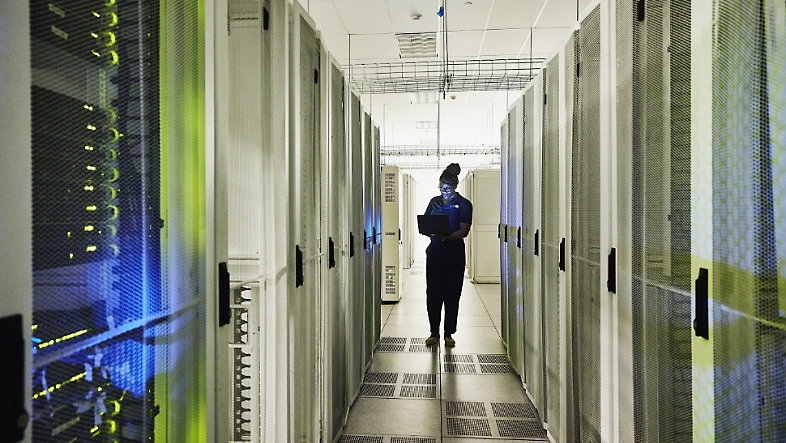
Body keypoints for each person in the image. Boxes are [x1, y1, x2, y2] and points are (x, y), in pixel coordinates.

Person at [422, 163, 472, 347]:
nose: (444, 191)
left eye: (447, 188)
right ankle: (433, 331)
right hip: (435, 253)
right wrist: (430, 231)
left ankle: (448, 333)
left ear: (455, 187)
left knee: (452, 294)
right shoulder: (434, 202)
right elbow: (427, 222)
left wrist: (445, 236)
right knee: (433, 293)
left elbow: (463, 231)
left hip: (454, 254)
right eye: (441, 188)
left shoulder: (465, 205)